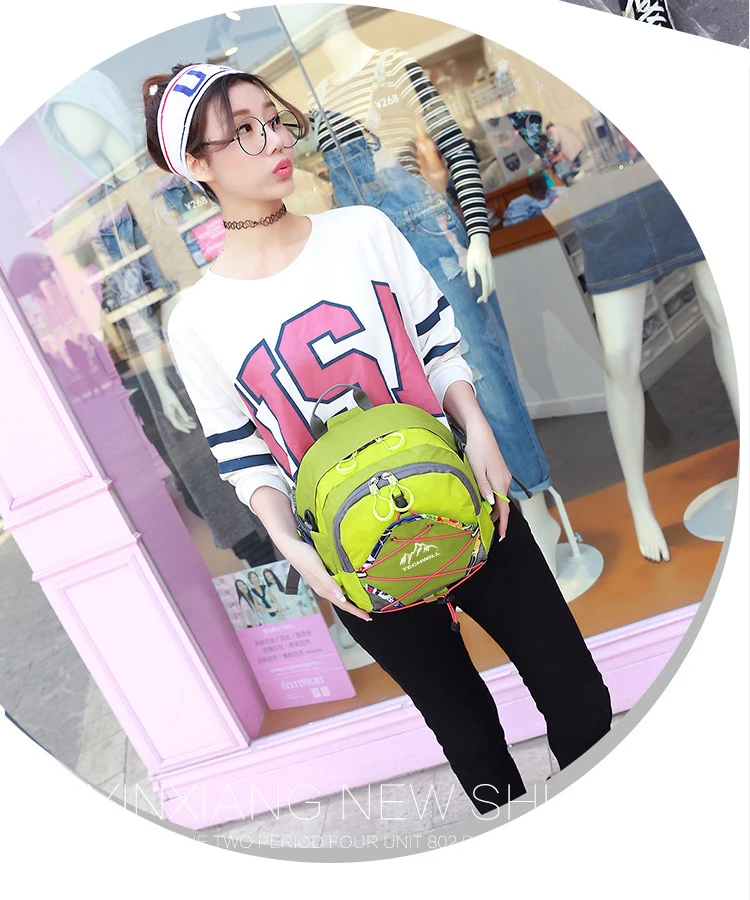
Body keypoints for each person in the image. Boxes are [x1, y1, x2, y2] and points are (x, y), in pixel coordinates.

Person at [143, 62, 612, 815]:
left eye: (275, 119)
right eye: (245, 132)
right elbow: (241, 452)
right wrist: (294, 548)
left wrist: (480, 432)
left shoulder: (362, 231)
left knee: (579, 698)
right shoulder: (198, 319)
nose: (275, 140)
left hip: (465, 498)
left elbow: (438, 342)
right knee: (470, 743)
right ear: (196, 165)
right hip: (352, 553)